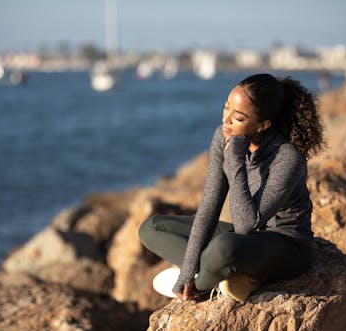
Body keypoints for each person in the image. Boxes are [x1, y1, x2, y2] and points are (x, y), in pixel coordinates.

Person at [139, 73, 325, 302]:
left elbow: (246, 224)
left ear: (263, 125)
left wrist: (235, 159)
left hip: (286, 247)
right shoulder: (222, 136)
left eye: (238, 118)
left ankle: (203, 285)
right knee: (152, 228)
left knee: (224, 247)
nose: (226, 120)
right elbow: (209, 207)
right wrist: (187, 270)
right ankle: (220, 276)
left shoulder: (287, 158)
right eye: (225, 108)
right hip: (244, 241)